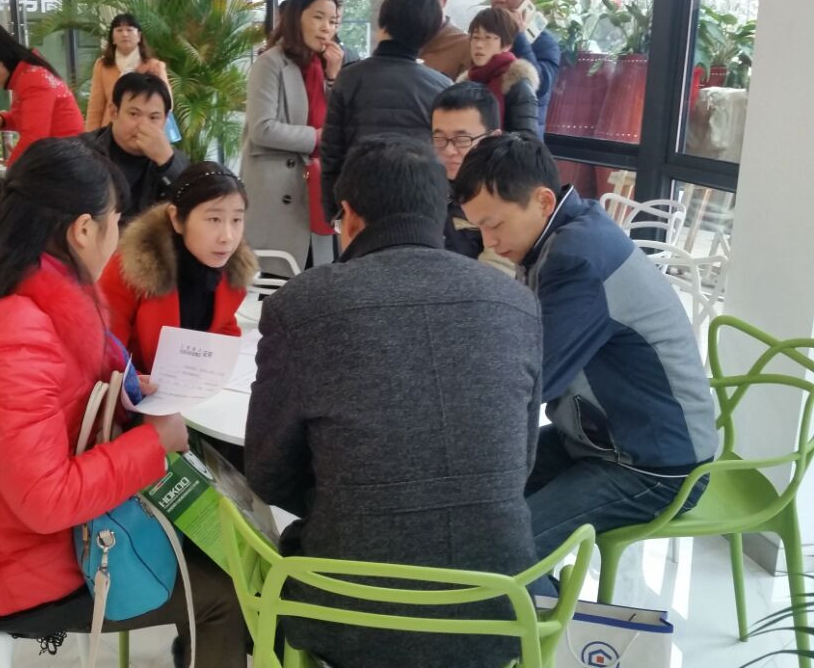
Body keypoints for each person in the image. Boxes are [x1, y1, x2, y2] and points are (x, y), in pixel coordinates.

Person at [0, 137, 246, 668]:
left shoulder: (14, 287)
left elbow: (58, 392)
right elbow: (46, 500)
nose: (117, 237)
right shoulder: (7, 330)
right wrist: (153, 443)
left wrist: (128, 387)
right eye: (116, 221)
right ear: (82, 229)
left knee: (217, 549)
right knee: (224, 593)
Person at [246, 135, 542, 668]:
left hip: (352, 613)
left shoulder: (302, 305)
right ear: (441, 214)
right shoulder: (517, 304)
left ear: (350, 216)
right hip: (499, 610)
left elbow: (267, 473)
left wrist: (352, 491)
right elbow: (520, 462)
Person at [452, 133, 717, 558]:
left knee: (504, 547)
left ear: (542, 201)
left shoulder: (577, 257)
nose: (489, 242)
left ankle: (538, 599)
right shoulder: (565, 234)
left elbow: (533, 381)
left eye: (494, 224)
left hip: (654, 465)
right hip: (597, 441)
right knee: (467, 489)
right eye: (478, 227)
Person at [98, 160, 257, 374]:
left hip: (187, 387)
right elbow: (104, 350)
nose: (227, 237)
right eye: (214, 219)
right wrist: (134, 383)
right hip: (129, 387)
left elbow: (223, 328)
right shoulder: (130, 269)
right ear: (177, 219)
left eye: (236, 220)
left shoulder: (231, 273)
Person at [320, 0, 451, 222]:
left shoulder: (349, 77)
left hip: (360, 200)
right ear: (429, 34)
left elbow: (331, 151)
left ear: (383, 22)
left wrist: (334, 212)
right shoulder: (442, 87)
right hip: (419, 202)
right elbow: (446, 156)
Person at [240, 0, 343, 276]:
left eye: (333, 21)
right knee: (279, 277)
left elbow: (338, 123)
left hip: (316, 187)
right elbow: (262, 128)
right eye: (318, 17)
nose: (326, 28)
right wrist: (317, 137)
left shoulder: (323, 65)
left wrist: (334, 78)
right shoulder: (270, 62)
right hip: (278, 191)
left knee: (316, 276)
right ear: (297, 17)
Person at [0, 21, 84, 164]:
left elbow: (33, 139)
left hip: (65, 162)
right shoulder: (28, 72)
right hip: (62, 157)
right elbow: (29, 117)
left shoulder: (33, 80)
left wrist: (13, 168)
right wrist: (1, 120)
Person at [81, 71, 189, 222]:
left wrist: (167, 163)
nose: (143, 125)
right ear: (114, 112)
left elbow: (191, 205)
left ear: (165, 121)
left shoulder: (174, 161)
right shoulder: (83, 153)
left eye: (154, 117)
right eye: (134, 114)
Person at [430, 81, 498, 260]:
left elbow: (498, 271)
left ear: (493, 138)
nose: (449, 151)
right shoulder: (424, 183)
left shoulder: (505, 195)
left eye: (462, 140)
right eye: (439, 138)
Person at [491, 0, 561, 137]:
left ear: (529, 1)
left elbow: (540, 86)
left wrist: (519, 37)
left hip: (522, 142)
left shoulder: (546, 43)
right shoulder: (487, 38)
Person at [86, 12, 171, 131]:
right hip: (109, 133)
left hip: (144, 132)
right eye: (119, 30)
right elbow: (95, 107)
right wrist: (91, 137)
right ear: (112, 38)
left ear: (139, 36)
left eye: (130, 30)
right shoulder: (102, 66)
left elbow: (166, 104)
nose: (124, 34)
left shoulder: (154, 66)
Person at [466, 7, 539, 134]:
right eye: (475, 37)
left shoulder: (518, 87)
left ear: (507, 45)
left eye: (488, 38)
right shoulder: (466, 82)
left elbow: (527, 139)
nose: (479, 45)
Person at [414, 0, 472, 80]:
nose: (421, 7)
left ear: (444, 0)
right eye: (416, 1)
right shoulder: (404, 37)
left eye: (429, 0)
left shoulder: (464, 44)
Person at [300, 0, 359, 67]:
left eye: (339, 5)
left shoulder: (351, 58)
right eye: (329, 5)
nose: (336, 14)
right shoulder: (281, 59)